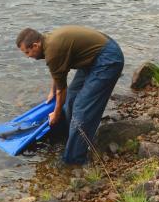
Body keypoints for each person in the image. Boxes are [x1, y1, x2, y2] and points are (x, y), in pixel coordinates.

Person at [16, 25, 124, 165]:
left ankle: (74, 159)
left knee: (82, 109)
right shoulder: (48, 42)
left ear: (35, 45)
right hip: (94, 57)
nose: (27, 57)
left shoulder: (52, 50)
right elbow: (57, 72)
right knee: (72, 96)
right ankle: (66, 135)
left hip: (108, 59)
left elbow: (62, 90)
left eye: (27, 52)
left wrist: (56, 113)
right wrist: (52, 91)